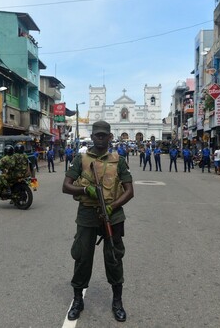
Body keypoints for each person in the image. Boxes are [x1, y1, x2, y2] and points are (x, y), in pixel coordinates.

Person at [62, 120, 134, 322]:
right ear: (92, 136)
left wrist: (112, 206)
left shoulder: (118, 160)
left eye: (104, 135)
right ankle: (78, 300)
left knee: (114, 257)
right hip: (87, 213)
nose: (100, 138)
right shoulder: (81, 159)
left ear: (110, 137)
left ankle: (117, 301)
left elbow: (129, 191)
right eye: (97, 135)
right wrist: (86, 189)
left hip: (113, 214)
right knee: (82, 256)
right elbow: (66, 186)